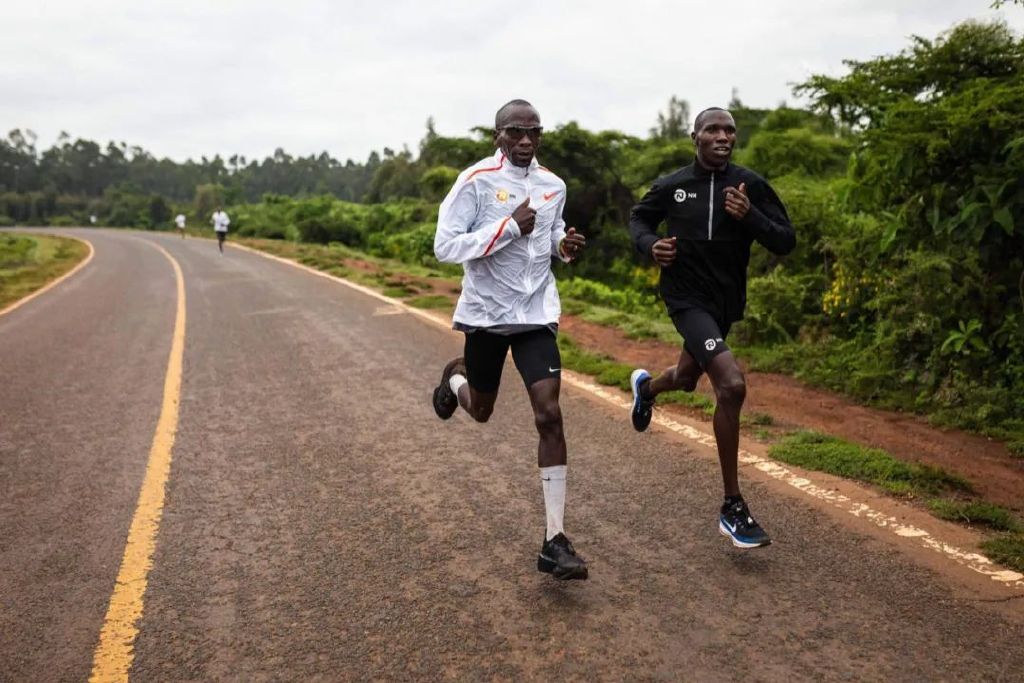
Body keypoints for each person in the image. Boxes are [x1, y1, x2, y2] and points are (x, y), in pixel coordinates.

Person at [432, 99, 589, 580]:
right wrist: (507, 228)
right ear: (497, 135)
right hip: (486, 316)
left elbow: (551, 235)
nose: (525, 140)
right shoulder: (475, 181)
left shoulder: (553, 185)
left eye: (533, 132)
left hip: (536, 314)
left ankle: (554, 540)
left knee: (549, 413)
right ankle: (454, 379)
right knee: (481, 410)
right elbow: (445, 246)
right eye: (515, 132)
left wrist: (564, 246)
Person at [627, 107, 796, 549]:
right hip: (686, 299)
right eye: (713, 130)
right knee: (731, 385)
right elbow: (638, 219)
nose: (723, 136)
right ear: (695, 137)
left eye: (729, 130)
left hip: (725, 304)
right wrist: (651, 245)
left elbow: (785, 240)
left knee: (686, 379)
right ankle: (732, 506)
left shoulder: (750, 186)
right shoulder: (673, 185)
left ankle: (646, 389)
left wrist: (750, 215)